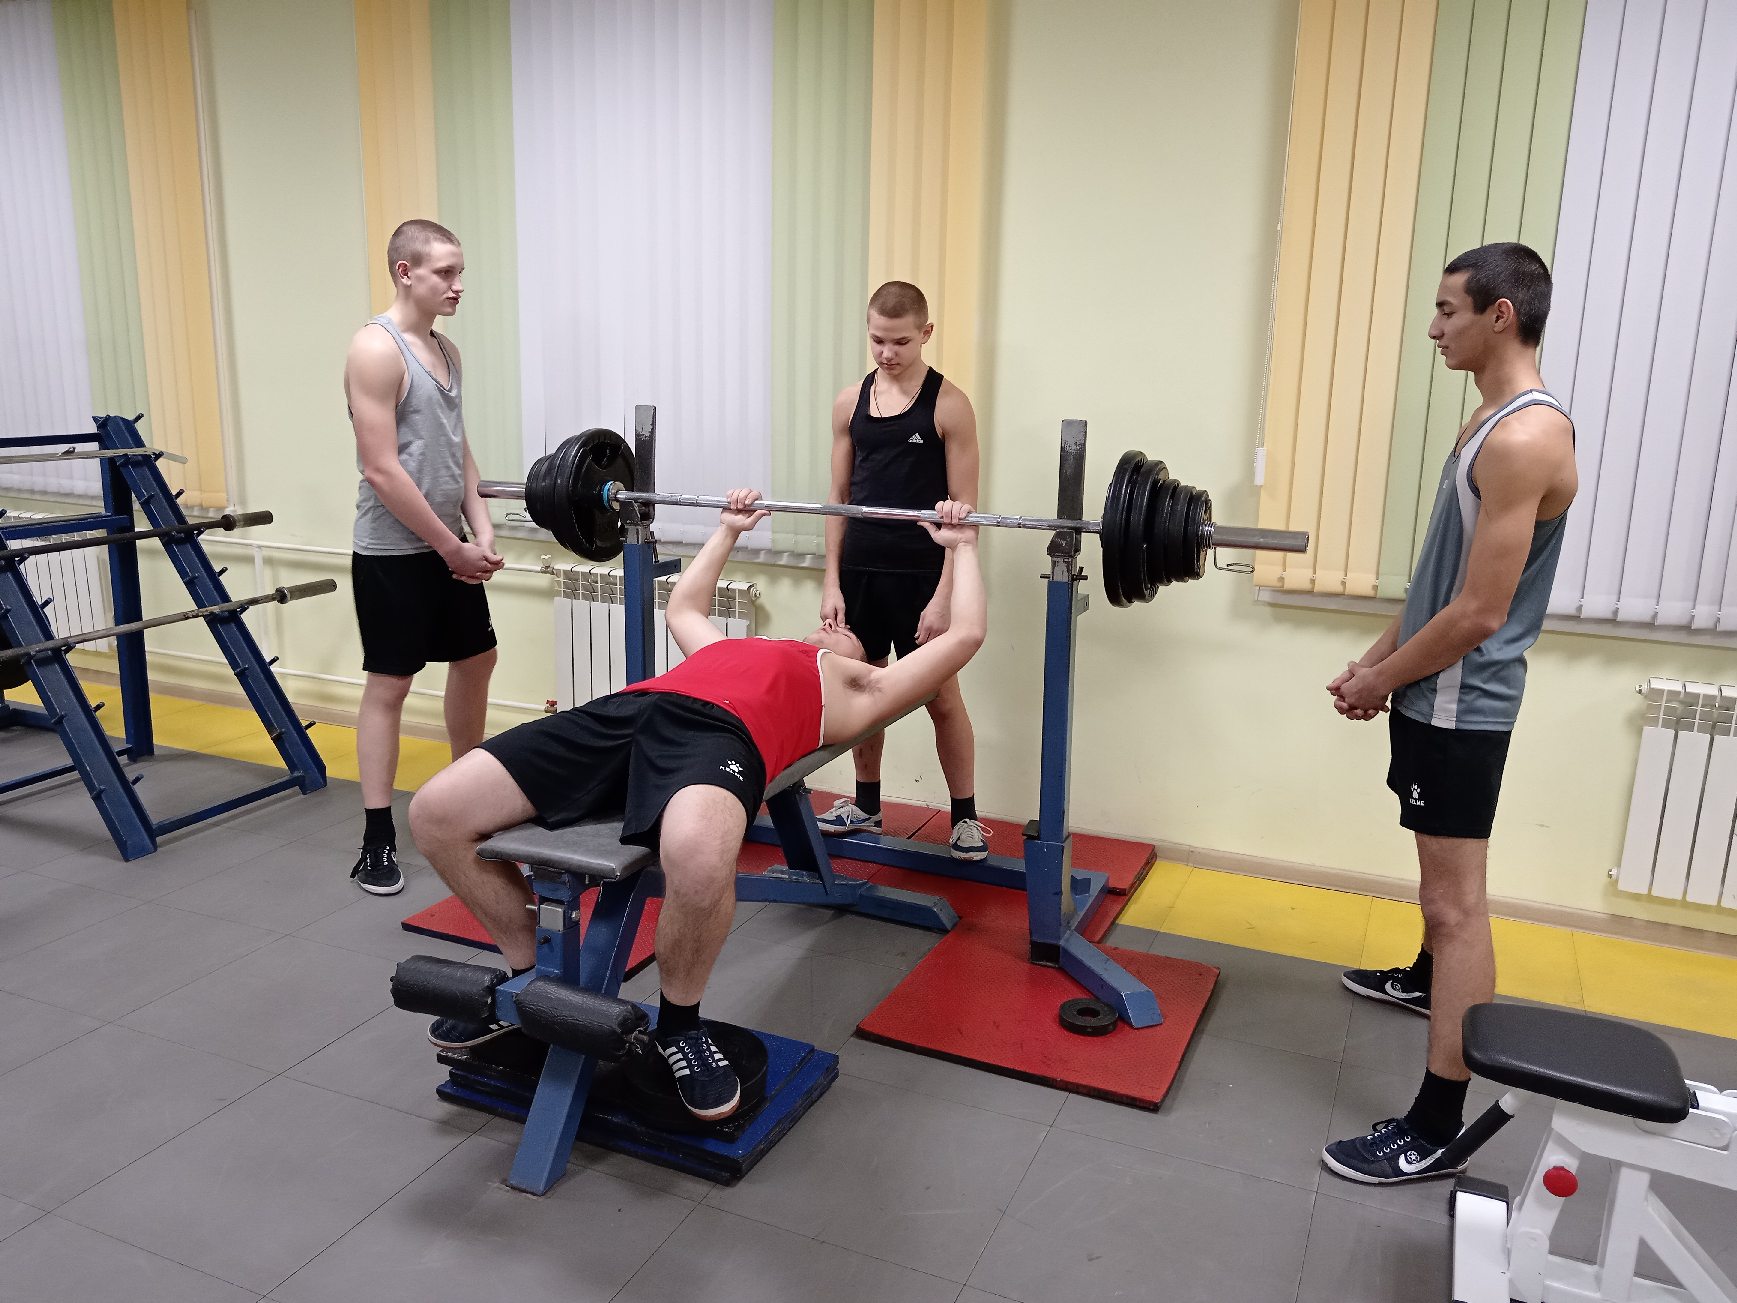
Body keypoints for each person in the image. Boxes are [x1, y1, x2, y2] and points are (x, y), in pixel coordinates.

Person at [409, 491, 986, 1121]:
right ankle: (535, 983)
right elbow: (683, 606)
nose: (832, 623)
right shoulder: (735, 647)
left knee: (699, 854)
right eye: (828, 622)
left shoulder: (860, 687)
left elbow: (966, 634)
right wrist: (729, 530)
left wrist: (962, 549)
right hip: (628, 711)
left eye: (845, 630)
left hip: (722, 737)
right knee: (437, 811)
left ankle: (680, 1025)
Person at [1321, 242, 1577, 1184]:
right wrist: (1375, 662)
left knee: (1454, 904)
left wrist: (1383, 681)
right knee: (1440, 897)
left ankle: (1434, 1124)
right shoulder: (1486, 421)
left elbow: (1478, 613)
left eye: (1446, 311)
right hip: (1433, 686)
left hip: (1463, 702)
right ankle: (1424, 980)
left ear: (1498, 315)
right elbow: (1441, 580)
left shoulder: (1524, 438)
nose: (1432, 329)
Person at [343, 218, 504, 897]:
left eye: (460, 271)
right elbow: (380, 468)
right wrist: (451, 548)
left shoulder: (445, 348)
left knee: (477, 658)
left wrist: (481, 530)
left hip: (450, 544)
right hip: (394, 550)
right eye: (445, 272)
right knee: (391, 684)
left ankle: (467, 798)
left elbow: (456, 449)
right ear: (405, 272)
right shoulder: (375, 350)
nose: (458, 285)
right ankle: (376, 839)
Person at [816, 281, 988, 859]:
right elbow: (838, 498)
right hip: (860, 569)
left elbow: (964, 516)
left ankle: (965, 818)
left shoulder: (949, 405)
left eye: (900, 342)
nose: (887, 353)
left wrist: (943, 595)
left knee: (941, 697)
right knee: (860, 686)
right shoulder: (850, 402)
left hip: (922, 576)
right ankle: (866, 805)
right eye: (877, 341)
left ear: (926, 334)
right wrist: (831, 580)